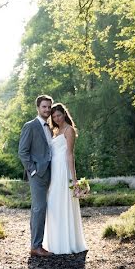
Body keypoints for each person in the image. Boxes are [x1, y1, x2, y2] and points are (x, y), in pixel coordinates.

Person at [43, 103, 87, 254]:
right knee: (53, 204)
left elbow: (70, 154)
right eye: (54, 117)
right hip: (54, 170)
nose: (56, 119)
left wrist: (74, 179)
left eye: (59, 115)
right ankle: (55, 241)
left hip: (63, 169)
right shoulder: (55, 130)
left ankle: (67, 243)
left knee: (63, 202)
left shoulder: (69, 130)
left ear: (64, 114)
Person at [18, 94, 54, 257]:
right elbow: (22, 152)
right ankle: (36, 246)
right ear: (38, 108)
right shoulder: (30, 126)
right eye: (44, 107)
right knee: (39, 208)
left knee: (43, 208)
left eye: (49, 107)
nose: (47, 109)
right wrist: (32, 170)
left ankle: (40, 243)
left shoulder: (51, 127)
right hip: (37, 174)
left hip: (52, 172)